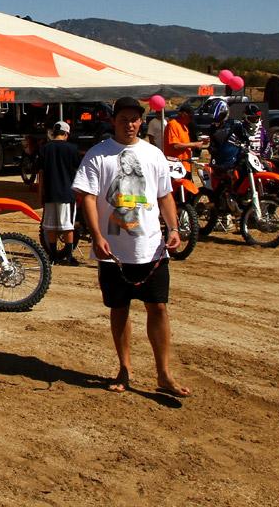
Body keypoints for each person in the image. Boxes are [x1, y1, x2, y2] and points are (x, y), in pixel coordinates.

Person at [73, 96, 189, 397]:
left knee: (159, 307)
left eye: (135, 119)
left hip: (152, 248)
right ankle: (124, 368)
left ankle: (164, 374)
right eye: (124, 119)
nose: (130, 124)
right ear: (115, 120)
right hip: (113, 250)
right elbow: (86, 196)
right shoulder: (98, 156)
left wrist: (173, 228)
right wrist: (96, 236)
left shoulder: (154, 154)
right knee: (119, 309)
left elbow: (165, 195)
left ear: (141, 121)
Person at [36, 120, 81, 265]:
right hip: (66, 193)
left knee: (50, 225)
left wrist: (40, 192)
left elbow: (40, 172)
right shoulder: (72, 149)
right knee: (67, 225)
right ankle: (68, 256)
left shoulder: (45, 149)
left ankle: (53, 256)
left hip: (50, 192)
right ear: (66, 134)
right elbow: (78, 170)